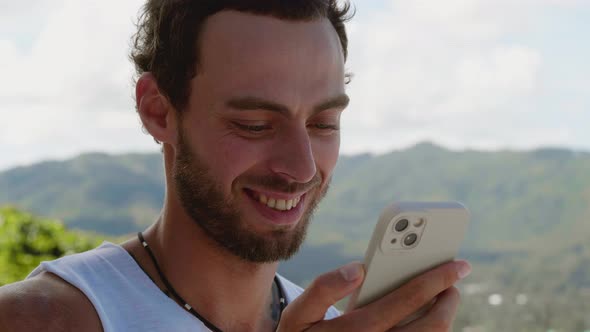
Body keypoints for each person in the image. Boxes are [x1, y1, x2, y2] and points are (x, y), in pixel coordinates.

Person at [0, 1, 471, 331]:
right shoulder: (44, 319)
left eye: (324, 123)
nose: (302, 167)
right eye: (254, 124)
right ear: (159, 111)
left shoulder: (330, 326)